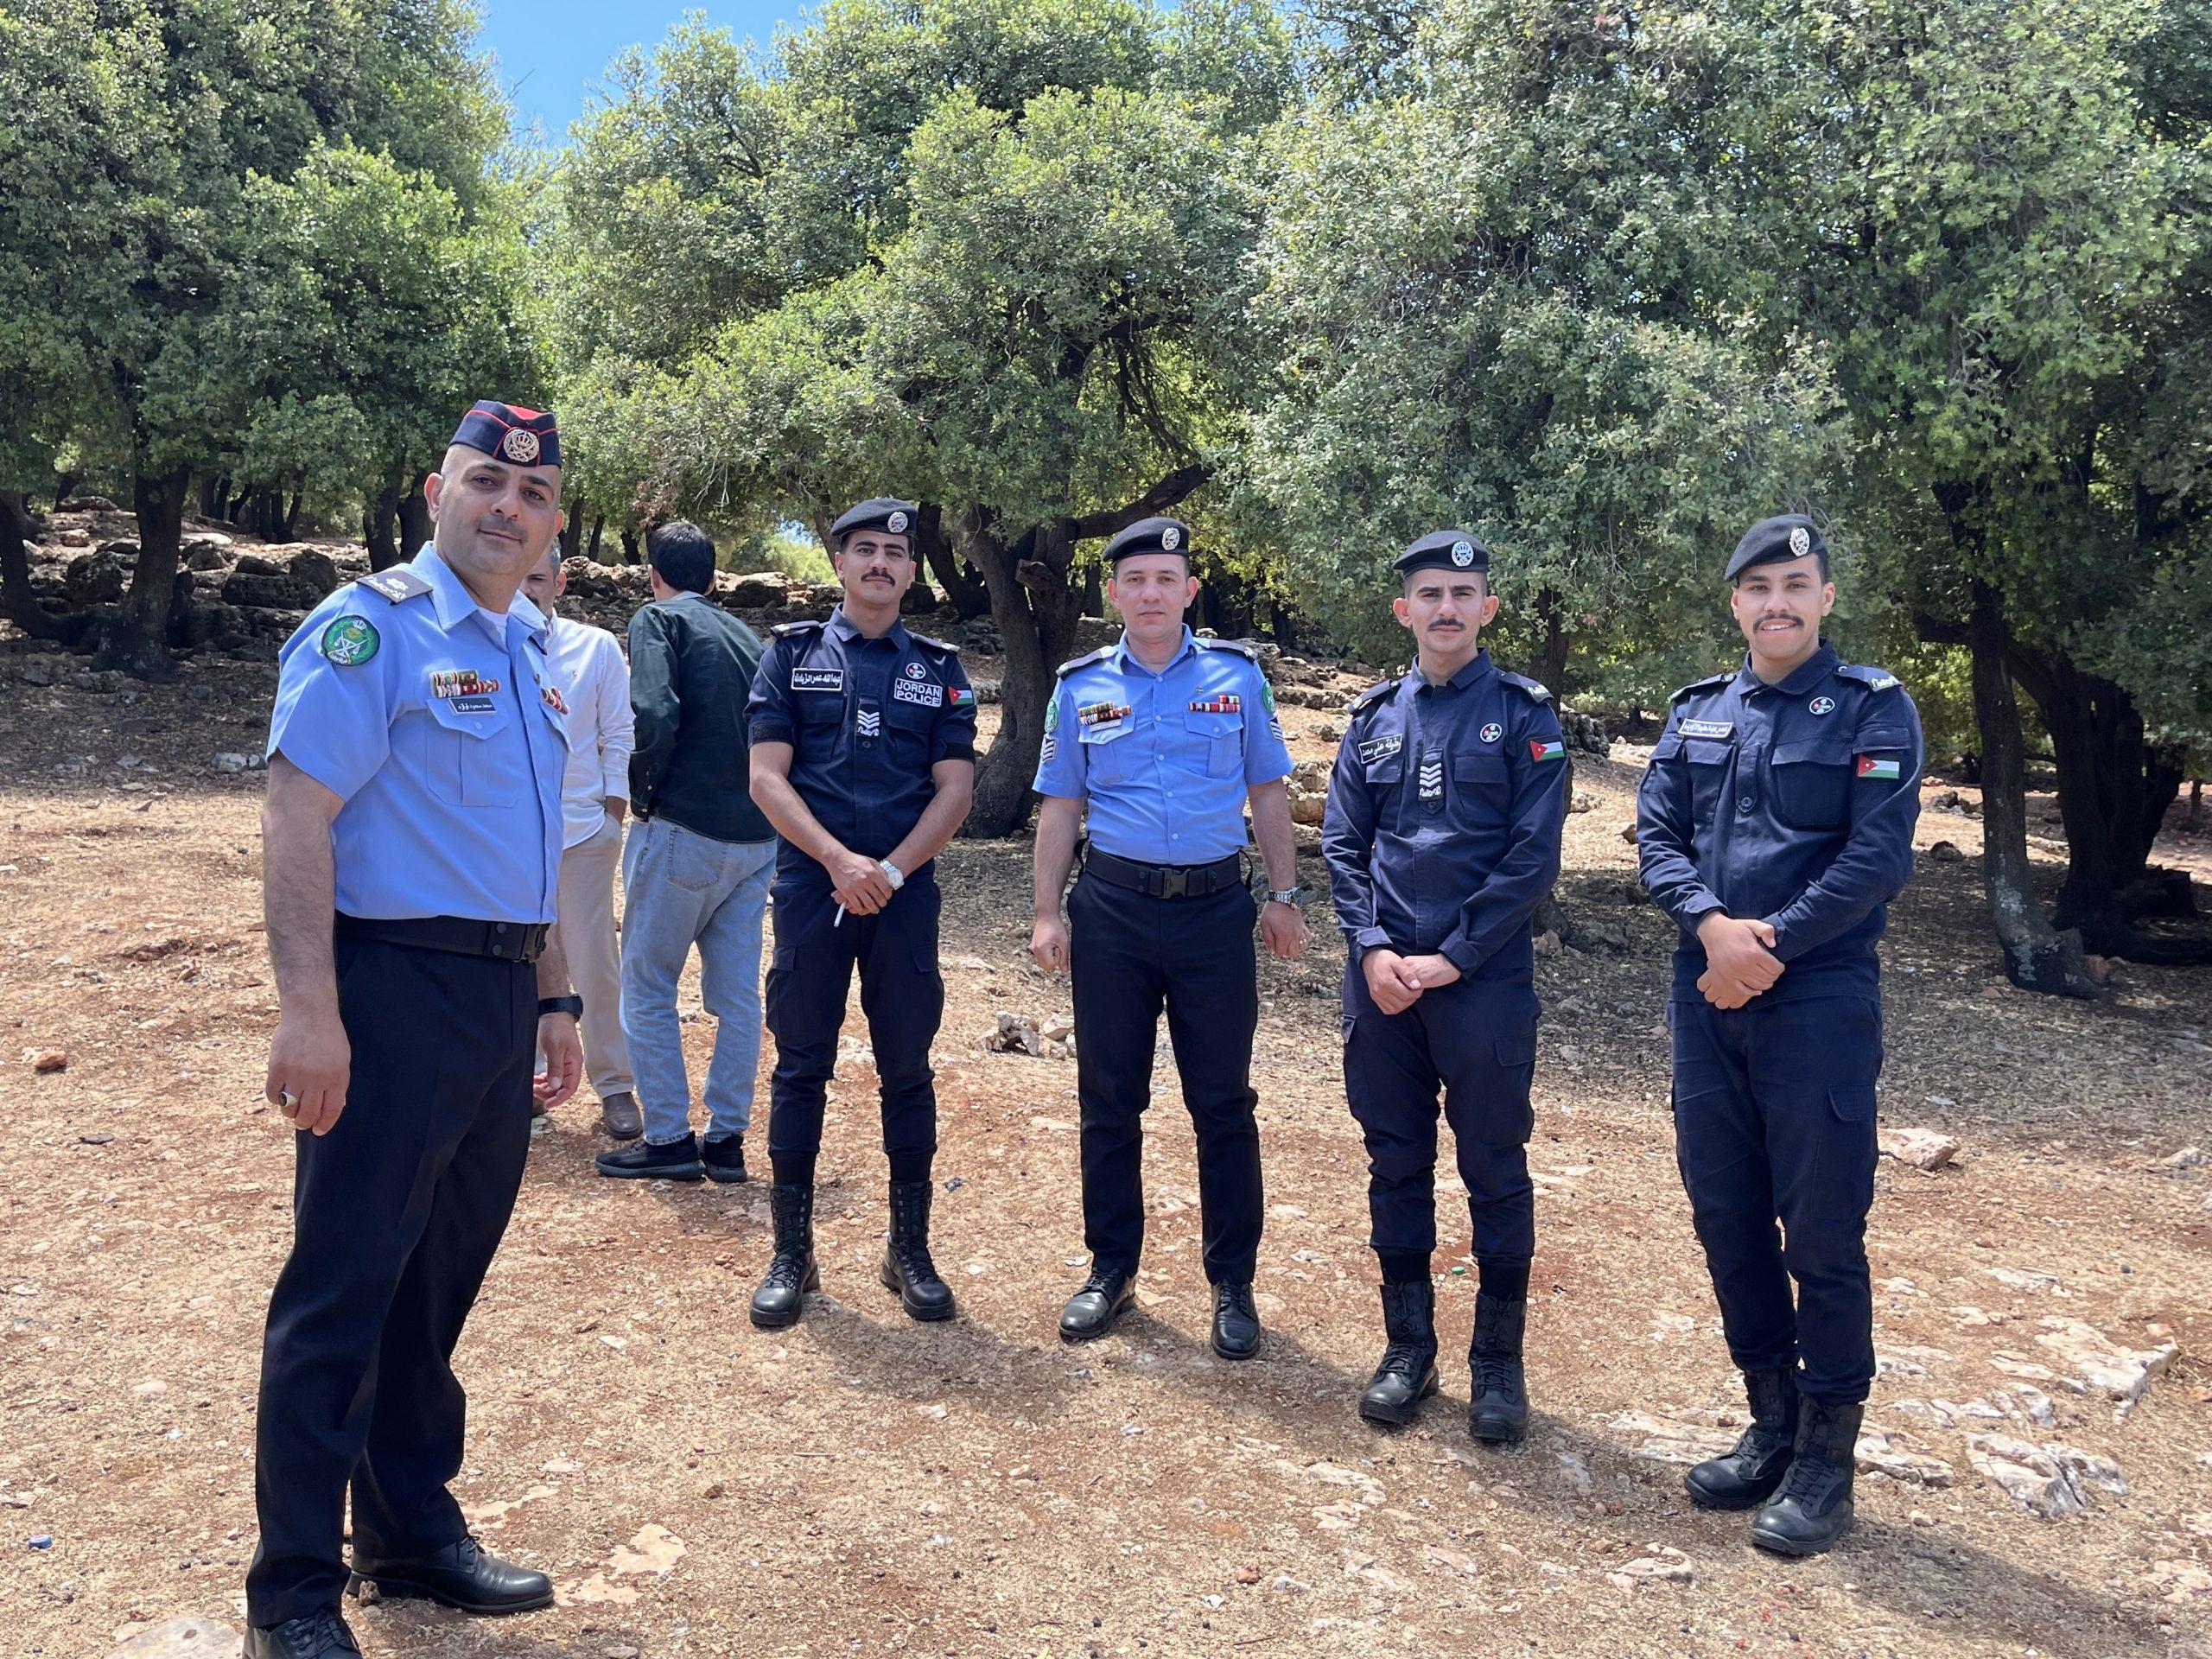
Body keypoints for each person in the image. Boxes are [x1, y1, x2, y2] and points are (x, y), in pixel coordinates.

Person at [248, 401, 583, 1659]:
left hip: (498, 1000)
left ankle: (406, 1531)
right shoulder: (369, 629)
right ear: (439, 493)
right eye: (487, 480)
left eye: (534, 493)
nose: (509, 505)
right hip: (391, 992)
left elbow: (530, 850)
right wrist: (309, 1009)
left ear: (553, 522)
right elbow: (297, 813)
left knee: (435, 1287)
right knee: (342, 1292)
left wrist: (554, 998)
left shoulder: (531, 648)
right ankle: (291, 1594)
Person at [1637, 513, 1922, 1556]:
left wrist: (1769, 944)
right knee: (1726, 1216)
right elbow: (1655, 835)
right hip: (1705, 992)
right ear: (1736, 604)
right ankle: (1771, 1423)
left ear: (1825, 597)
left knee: (1822, 1231)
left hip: (1817, 999)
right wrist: (1712, 928)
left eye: (1795, 584)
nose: (1776, 603)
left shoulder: (1874, 709)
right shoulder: (1697, 712)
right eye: (1758, 588)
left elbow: (1876, 858)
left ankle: (1826, 1464)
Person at [1031, 516, 1309, 1358]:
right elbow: (1060, 807)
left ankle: (1233, 1284)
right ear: (1113, 593)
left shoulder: (1238, 678)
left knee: (1222, 1103)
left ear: (1189, 591)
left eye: (1165, 579)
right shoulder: (1079, 686)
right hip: (1112, 913)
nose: (1150, 593)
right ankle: (1110, 1270)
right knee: (1109, 1098)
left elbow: (1268, 792)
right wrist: (1046, 912)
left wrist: (1284, 896)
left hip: (1214, 914)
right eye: (1135, 580)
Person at [1321, 530, 1570, 1442]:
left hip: (1481, 982)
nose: (1447, 609)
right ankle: (1408, 1348)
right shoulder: (1374, 717)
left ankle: (1497, 1365)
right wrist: (1372, 947)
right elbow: (1343, 842)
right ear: (1404, 611)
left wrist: (1455, 956)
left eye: (1463, 594)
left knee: (1494, 1166)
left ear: (1487, 608)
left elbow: (1532, 857)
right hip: (1382, 981)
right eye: (1429, 594)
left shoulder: (1525, 714)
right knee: (1395, 1160)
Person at [744, 498, 976, 1326]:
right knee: (800, 1064)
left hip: (903, 894)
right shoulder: (789, 655)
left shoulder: (941, 670)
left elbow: (956, 789)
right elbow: (765, 777)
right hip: (813, 888)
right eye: (865, 549)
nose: (881, 563)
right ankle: (792, 1252)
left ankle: (908, 1249)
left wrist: (891, 869)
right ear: (839, 562)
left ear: (912, 572)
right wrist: (838, 862)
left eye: (895, 553)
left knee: (906, 1067)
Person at [592, 522, 779, 1183]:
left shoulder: (657, 619)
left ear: (654, 575)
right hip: (756, 837)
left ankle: (669, 1136)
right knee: (737, 996)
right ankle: (727, 1139)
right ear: (714, 577)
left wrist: (643, 793)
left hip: (683, 827)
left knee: (647, 986)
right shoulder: (748, 637)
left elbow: (653, 710)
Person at [519, 545, 639, 1140]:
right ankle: (524, 1084)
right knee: (516, 960)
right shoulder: (479, 648)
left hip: (582, 830)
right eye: (518, 579)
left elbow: (619, 734)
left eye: (537, 579)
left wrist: (612, 816)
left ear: (560, 583)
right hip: (508, 838)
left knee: (593, 961)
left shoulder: (595, 647)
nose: (526, 590)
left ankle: (614, 1085)